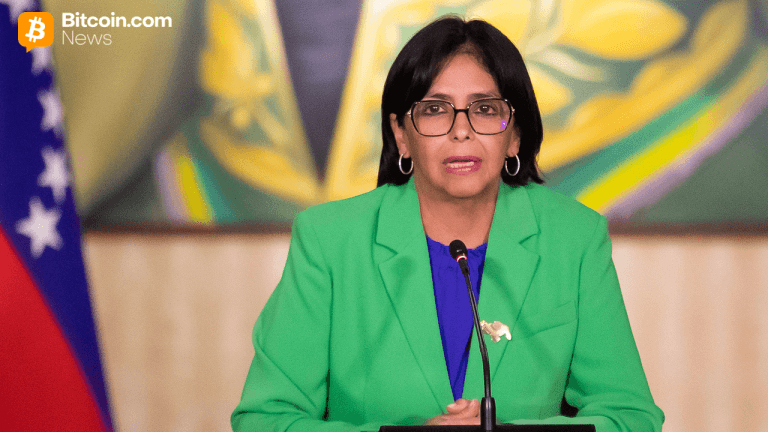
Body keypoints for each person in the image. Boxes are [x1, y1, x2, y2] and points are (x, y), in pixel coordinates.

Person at [232, 16, 664, 432]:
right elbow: (264, 419)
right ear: (401, 134)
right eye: (435, 109)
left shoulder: (574, 239)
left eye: (485, 109)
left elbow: (630, 417)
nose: (461, 131)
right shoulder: (329, 240)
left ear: (514, 135)